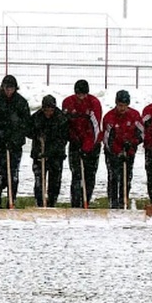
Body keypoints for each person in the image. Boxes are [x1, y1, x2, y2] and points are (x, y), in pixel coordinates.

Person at [0, 75, 30, 209]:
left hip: (15, 144)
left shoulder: (21, 102)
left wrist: (15, 139)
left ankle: (12, 198)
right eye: (7, 88)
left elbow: (25, 123)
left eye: (11, 88)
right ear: (2, 87)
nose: (9, 91)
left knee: (14, 172)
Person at [62, 79, 103, 208]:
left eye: (83, 94)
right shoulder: (68, 102)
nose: (80, 97)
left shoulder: (94, 103)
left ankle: (86, 202)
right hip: (75, 143)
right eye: (78, 94)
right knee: (76, 174)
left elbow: (95, 128)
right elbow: (65, 124)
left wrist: (87, 147)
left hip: (92, 144)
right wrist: (73, 139)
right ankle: (75, 204)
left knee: (89, 175)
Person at [102, 90, 144, 209]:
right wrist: (117, 152)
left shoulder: (134, 116)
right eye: (120, 105)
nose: (122, 108)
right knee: (113, 176)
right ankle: (113, 202)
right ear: (116, 103)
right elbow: (107, 139)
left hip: (129, 151)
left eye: (124, 106)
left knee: (127, 177)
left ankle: (123, 200)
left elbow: (141, 134)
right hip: (112, 153)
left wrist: (132, 143)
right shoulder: (109, 117)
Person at [28, 95, 68, 207]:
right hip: (39, 153)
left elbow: (62, 139)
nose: (48, 113)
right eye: (46, 110)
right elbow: (28, 130)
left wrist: (50, 152)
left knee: (54, 182)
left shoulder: (61, 119)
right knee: (39, 181)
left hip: (56, 155)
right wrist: (37, 135)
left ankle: (52, 202)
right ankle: (40, 203)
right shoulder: (36, 117)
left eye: (51, 110)